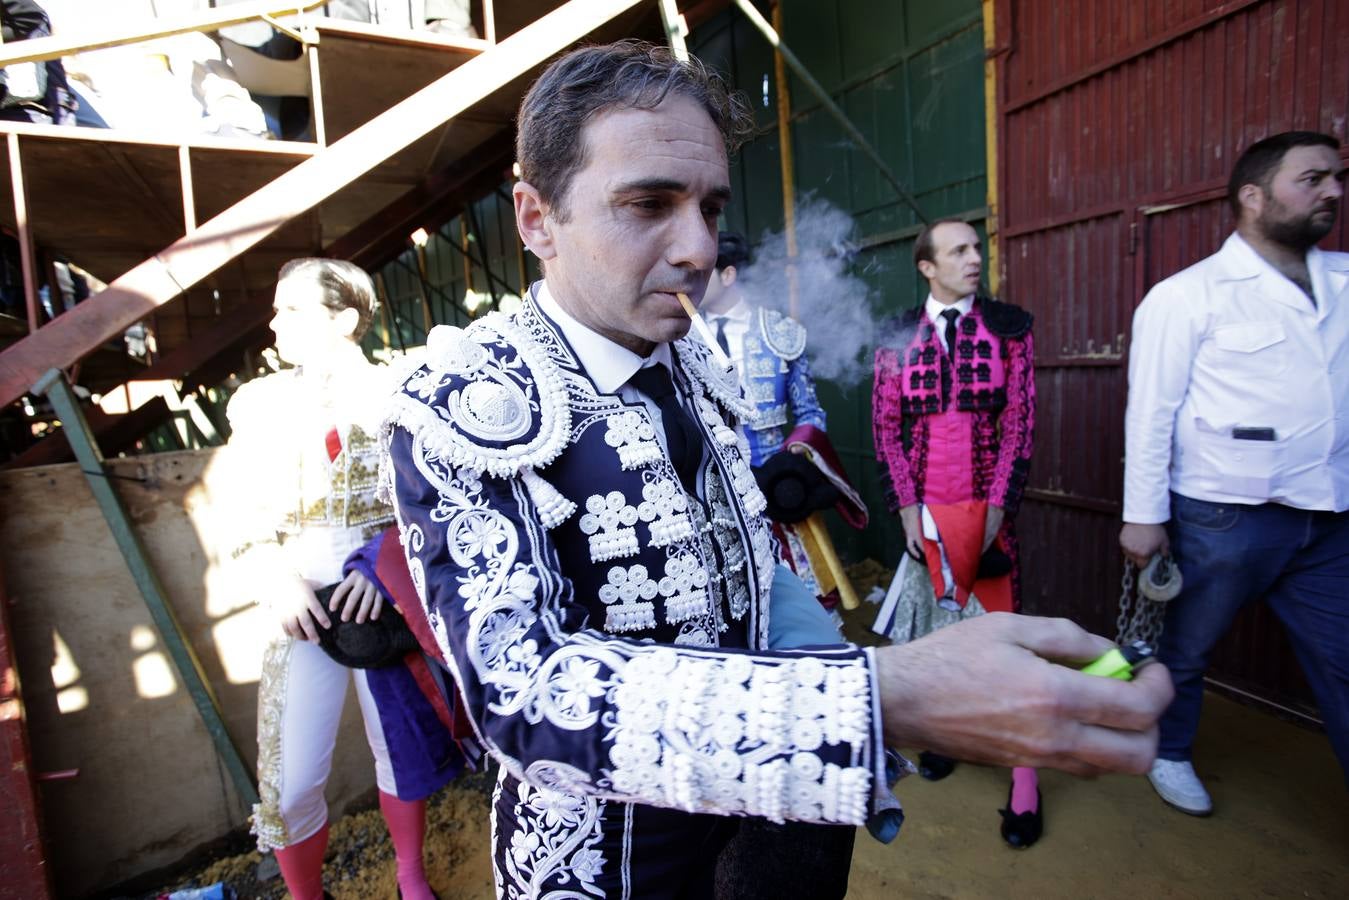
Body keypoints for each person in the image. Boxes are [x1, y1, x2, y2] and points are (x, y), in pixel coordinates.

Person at [382, 41, 1171, 898]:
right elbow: (520, 692)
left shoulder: (696, 361)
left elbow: (752, 579)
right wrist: (880, 699)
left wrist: (864, 673)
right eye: (647, 203)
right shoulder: (461, 400)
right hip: (603, 857)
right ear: (536, 219)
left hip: (767, 803)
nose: (696, 248)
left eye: (709, 208)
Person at [1120, 130, 1349, 816]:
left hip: (1327, 517)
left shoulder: (1344, 279)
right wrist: (1142, 513)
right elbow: (1149, 410)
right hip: (1222, 517)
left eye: (1335, 178)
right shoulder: (1188, 295)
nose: (1331, 192)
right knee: (1185, 650)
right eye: (1311, 179)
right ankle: (1169, 749)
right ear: (1252, 197)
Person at [224, 258, 461, 900]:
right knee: (294, 777)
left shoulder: (404, 392)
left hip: (381, 593)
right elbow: (241, 507)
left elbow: (441, 499)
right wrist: (275, 575)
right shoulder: (259, 405)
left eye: (292, 310)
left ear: (346, 320)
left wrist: (387, 561)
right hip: (298, 596)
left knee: (399, 748)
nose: (273, 322)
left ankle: (409, 872)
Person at [871, 219, 1042, 848]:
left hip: (988, 514)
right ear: (927, 266)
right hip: (927, 521)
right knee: (940, 640)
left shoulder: (1009, 327)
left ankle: (1025, 779)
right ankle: (948, 736)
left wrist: (997, 511)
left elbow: (1021, 423)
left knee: (1003, 641)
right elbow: (887, 430)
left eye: (978, 248)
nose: (976, 258)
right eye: (960, 250)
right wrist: (909, 512)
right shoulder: (895, 333)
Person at [701, 230, 868, 611]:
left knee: (802, 593)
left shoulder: (780, 332)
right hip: (714, 484)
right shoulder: (682, 336)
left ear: (728, 275)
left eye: (704, 272)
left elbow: (810, 413)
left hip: (775, 483)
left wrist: (791, 459)